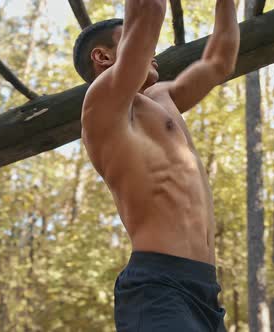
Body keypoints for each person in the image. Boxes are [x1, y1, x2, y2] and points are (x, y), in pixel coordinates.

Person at [73, 0, 239, 330]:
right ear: (103, 57)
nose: (153, 52)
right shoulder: (101, 106)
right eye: (132, 40)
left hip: (206, 291)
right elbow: (148, 11)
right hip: (158, 286)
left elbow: (220, 61)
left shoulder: (163, 96)